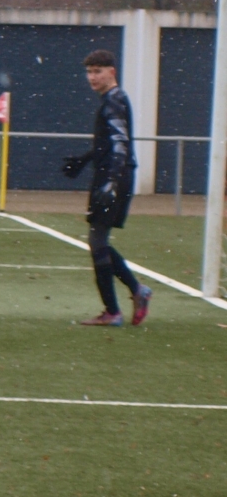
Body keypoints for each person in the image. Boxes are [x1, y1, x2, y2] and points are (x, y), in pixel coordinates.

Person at [62, 49, 150, 327]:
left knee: (97, 240)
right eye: (89, 72)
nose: (92, 77)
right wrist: (84, 160)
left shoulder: (114, 101)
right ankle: (135, 292)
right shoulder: (112, 100)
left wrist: (112, 180)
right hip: (112, 174)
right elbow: (108, 144)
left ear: (112, 72)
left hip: (115, 176)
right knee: (97, 240)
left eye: (97, 71)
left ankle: (115, 310)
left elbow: (121, 144)